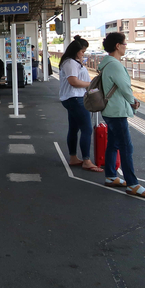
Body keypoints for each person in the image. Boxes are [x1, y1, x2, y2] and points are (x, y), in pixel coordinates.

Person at [98, 32, 143, 196]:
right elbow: (125, 88)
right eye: (125, 43)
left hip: (110, 110)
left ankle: (110, 176)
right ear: (117, 45)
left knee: (114, 144)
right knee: (126, 147)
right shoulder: (115, 65)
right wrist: (133, 102)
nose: (126, 46)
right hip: (116, 111)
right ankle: (132, 184)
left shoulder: (105, 63)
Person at [58, 36, 101, 171]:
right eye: (82, 51)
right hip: (76, 99)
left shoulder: (70, 61)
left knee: (74, 128)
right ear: (76, 51)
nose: (84, 54)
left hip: (71, 99)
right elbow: (74, 81)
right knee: (86, 129)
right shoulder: (70, 63)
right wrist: (91, 85)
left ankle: (73, 157)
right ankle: (86, 160)